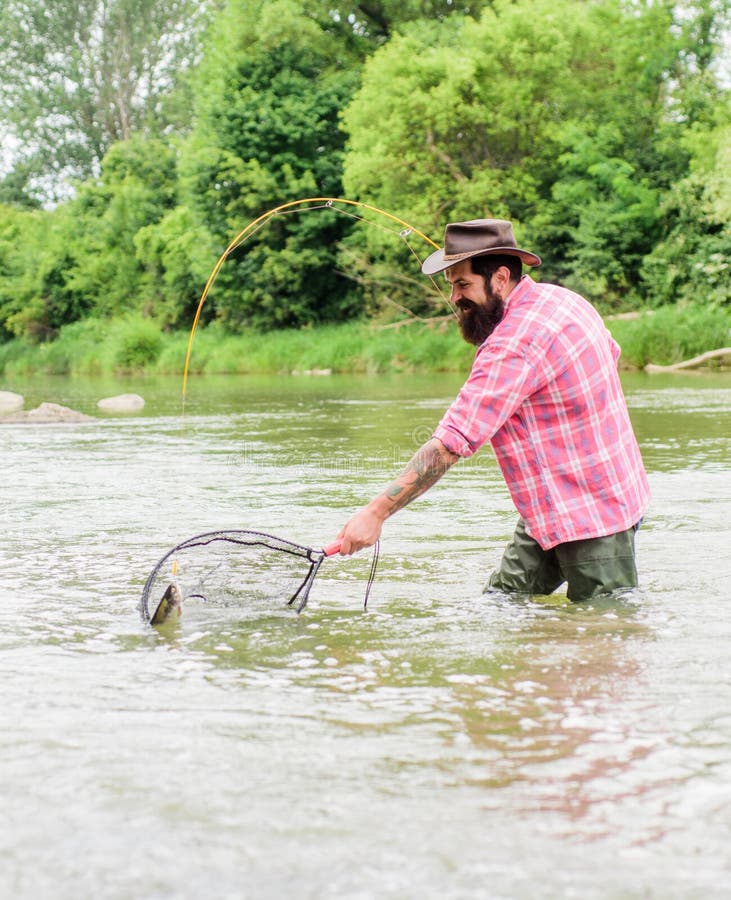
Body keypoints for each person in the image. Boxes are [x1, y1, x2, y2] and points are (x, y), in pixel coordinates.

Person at [336, 218, 651, 602]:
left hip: (595, 518)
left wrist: (375, 513)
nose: (454, 297)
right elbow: (612, 353)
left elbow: (451, 443)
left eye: (463, 284)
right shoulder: (565, 300)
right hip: (552, 508)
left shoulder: (512, 346)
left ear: (500, 278)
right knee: (500, 604)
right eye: (451, 284)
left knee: (605, 631)